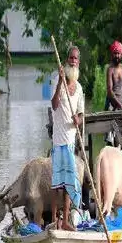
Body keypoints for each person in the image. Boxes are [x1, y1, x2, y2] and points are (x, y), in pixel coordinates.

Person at [50, 46, 85, 232]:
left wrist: (77, 120)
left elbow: (80, 115)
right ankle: (55, 220)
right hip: (58, 140)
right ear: (66, 60)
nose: (72, 61)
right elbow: (54, 105)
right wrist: (59, 85)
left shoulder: (79, 88)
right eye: (70, 58)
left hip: (70, 140)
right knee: (57, 183)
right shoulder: (57, 80)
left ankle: (65, 220)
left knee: (68, 181)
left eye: (75, 59)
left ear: (78, 62)